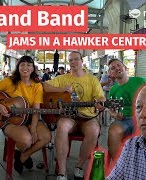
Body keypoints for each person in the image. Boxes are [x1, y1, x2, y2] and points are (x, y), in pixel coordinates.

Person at [43, 51, 106, 180]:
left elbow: (100, 97)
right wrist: (61, 90)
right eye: (70, 60)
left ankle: (79, 166)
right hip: (69, 117)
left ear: (82, 61)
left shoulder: (92, 79)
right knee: (62, 126)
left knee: (94, 130)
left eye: (76, 59)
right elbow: (43, 86)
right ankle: (62, 171)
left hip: (88, 117)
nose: (73, 62)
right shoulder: (63, 78)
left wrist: (100, 103)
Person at [0, 55, 51, 174]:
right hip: (8, 119)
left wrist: (33, 129)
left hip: (30, 117)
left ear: (33, 68)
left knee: (46, 137)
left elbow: (36, 109)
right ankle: (22, 150)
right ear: (18, 67)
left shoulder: (37, 86)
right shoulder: (8, 81)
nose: (25, 67)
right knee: (26, 140)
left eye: (28, 65)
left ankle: (22, 156)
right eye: (22, 64)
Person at [107, 59, 146, 162]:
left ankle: (138, 165)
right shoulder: (113, 90)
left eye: (119, 65)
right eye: (113, 68)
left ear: (124, 67)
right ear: (111, 73)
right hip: (123, 119)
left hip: (142, 117)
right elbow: (111, 110)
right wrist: (115, 115)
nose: (117, 68)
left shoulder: (140, 81)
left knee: (139, 134)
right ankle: (117, 167)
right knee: (113, 131)